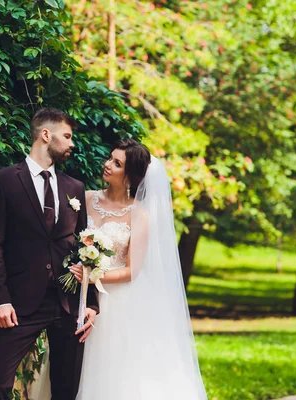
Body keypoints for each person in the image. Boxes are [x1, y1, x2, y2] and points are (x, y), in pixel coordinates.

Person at [70, 139, 208, 399]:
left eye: (117, 163)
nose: (108, 165)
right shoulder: (85, 199)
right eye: (110, 159)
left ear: (130, 176)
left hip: (118, 303)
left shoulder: (139, 214)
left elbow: (132, 271)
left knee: (113, 375)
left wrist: (92, 277)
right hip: (79, 297)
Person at [0, 107, 99, 400]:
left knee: (66, 388)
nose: (72, 144)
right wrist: (1, 300)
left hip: (68, 303)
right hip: (21, 302)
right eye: (67, 136)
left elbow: (85, 249)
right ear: (46, 135)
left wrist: (90, 302)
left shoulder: (75, 187)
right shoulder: (5, 180)